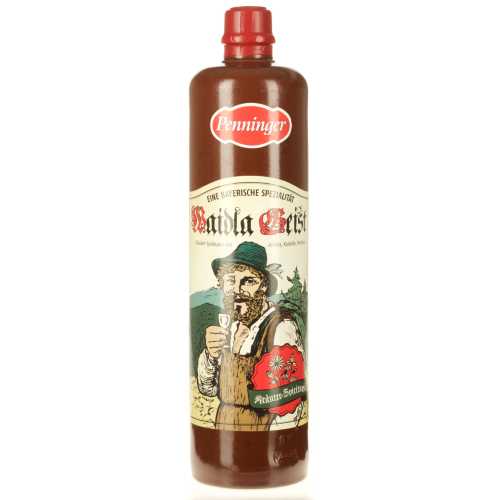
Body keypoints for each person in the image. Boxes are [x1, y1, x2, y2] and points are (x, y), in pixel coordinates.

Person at [197, 241, 305, 431]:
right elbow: (208, 390)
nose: (237, 290)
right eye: (231, 280)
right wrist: (210, 355)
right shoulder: (231, 328)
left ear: (263, 286)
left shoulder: (281, 327)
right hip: (222, 432)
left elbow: (290, 402)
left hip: (265, 435)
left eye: (248, 281)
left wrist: (274, 440)